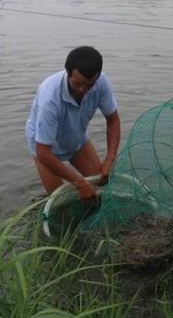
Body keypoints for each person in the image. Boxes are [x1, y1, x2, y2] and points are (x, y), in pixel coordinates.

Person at [26, 46, 120, 204]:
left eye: (89, 85)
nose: (83, 90)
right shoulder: (50, 98)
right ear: (68, 73)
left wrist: (110, 160)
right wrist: (79, 182)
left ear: (96, 78)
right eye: (78, 84)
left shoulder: (101, 82)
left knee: (102, 186)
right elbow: (43, 152)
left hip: (77, 139)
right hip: (46, 149)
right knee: (61, 203)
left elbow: (113, 120)